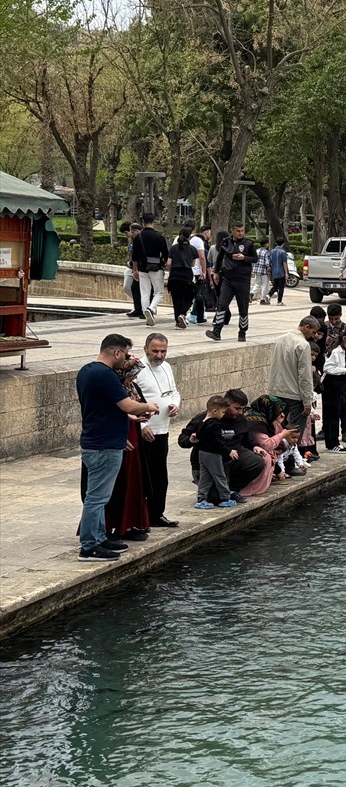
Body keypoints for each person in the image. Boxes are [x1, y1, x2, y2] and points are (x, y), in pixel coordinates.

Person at [76, 334, 159, 561]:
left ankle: (100, 537)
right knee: (97, 497)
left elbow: (102, 409)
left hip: (97, 441)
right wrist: (148, 406)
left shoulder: (86, 371)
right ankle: (89, 546)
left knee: (99, 495)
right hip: (104, 446)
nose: (125, 359)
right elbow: (126, 404)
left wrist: (130, 419)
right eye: (124, 354)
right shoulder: (106, 374)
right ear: (116, 352)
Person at [134, 333, 181, 528]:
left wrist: (174, 405)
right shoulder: (137, 370)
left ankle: (157, 514)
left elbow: (173, 392)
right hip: (145, 431)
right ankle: (139, 517)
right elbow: (131, 400)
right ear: (146, 349)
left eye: (163, 351)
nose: (159, 356)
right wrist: (142, 425)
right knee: (142, 477)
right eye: (155, 351)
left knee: (160, 476)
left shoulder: (167, 367)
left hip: (163, 430)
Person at [268, 315, 320, 432]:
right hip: (294, 395)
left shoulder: (280, 339)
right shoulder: (303, 344)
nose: (313, 335)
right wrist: (307, 402)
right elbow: (305, 376)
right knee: (295, 433)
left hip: (276, 391)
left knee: (277, 430)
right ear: (306, 327)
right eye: (313, 332)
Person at [207, 222, 257, 342]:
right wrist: (216, 272)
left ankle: (242, 332)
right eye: (238, 231)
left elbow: (255, 258)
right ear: (232, 231)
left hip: (243, 280)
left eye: (242, 231)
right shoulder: (226, 242)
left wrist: (244, 258)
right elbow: (219, 258)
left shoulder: (248, 243)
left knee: (243, 307)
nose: (240, 233)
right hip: (228, 279)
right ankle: (217, 331)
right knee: (222, 304)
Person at [193, 396, 239, 509]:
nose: (223, 414)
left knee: (206, 477)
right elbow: (218, 442)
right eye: (222, 412)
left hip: (202, 453)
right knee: (220, 475)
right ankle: (225, 498)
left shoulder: (203, 422)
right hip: (213, 454)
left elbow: (197, 435)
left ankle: (201, 498)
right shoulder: (216, 424)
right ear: (215, 411)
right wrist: (229, 451)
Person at [321, 327, 346, 451]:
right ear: (344, 339)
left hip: (338, 385)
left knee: (336, 413)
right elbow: (327, 368)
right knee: (331, 415)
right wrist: (344, 370)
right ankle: (332, 443)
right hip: (331, 385)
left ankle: (334, 442)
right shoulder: (336, 352)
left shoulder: (343, 351)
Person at [131, 212, 170, 327]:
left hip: (142, 268)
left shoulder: (139, 237)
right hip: (156, 267)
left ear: (143, 222)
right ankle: (151, 308)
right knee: (158, 291)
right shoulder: (159, 237)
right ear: (154, 221)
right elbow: (166, 254)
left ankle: (146, 313)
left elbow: (134, 256)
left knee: (144, 292)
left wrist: (135, 270)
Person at [165, 226, 197, 330]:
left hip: (174, 275)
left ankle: (177, 321)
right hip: (187, 275)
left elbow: (169, 263)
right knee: (188, 297)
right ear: (189, 237)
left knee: (176, 299)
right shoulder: (192, 249)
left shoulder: (173, 248)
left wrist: (172, 270)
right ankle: (182, 314)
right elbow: (193, 264)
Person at [121, 222, 145, 320]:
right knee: (132, 288)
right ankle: (138, 307)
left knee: (137, 289)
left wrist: (133, 266)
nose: (127, 235)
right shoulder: (132, 240)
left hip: (138, 268)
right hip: (133, 267)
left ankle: (143, 308)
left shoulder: (140, 240)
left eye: (127, 233)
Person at [188, 224, 211, 323]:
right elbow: (206, 263)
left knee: (195, 296)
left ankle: (196, 315)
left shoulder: (189, 246)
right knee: (199, 295)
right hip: (198, 273)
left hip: (189, 272)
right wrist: (205, 272)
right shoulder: (204, 251)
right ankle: (195, 315)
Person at [268, 236, 289, 305]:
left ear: (276, 243)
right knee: (281, 287)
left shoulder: (271, 252)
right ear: (283, 244)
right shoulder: (283, 252)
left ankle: (268, 295)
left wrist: (270, 272)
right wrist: (286, 273)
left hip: (274, 271)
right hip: (281, 272)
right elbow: (284, 263)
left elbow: (270, 262)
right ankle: (279, 301)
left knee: (275, 286)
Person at [253, 237, 272, 304]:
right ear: (266, 244)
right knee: (265, 285)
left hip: (256, 269)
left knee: (258, 283)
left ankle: (252, 293)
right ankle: (262, 299)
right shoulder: (266, 252)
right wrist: (269, 270)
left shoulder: (256, 251)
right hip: (264, 271)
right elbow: (267, 263)